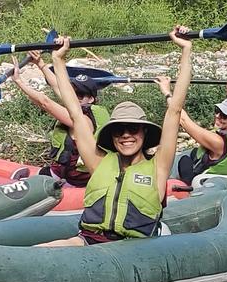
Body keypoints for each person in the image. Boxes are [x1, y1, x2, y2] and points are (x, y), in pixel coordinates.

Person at [41, 29, 196, 245]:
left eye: (133, 129)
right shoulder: (99, 162)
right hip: (89, 241)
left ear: (144, 133)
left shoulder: (158, 167)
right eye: (119, 130)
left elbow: (175, 110)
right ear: (111, 135)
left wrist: (186, 50)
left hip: (133, 251)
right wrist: (58, 60)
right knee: (41, 250)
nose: (126, 135)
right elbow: (75, 112)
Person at [11, 42, 102, 187]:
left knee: (31, 185)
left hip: (75, 179)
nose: (75, 96)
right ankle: (29, 181)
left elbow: (45, 102)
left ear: (91, 99)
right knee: (43, 174)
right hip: (64, 172)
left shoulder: (81, 120)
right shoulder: (91, 112)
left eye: (80, 94)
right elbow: (57, 86)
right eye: (73, 92)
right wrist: (40, 63)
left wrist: (18, 81)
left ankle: (25, 186)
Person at [165, 76, 227, 183]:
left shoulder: (217, 142)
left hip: (202, 180)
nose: (217, 116)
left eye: (224, 116)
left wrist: (167, 92)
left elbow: (183, 119)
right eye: (217, 111)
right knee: (192, 153)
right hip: (225, 173)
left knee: (184, 160)